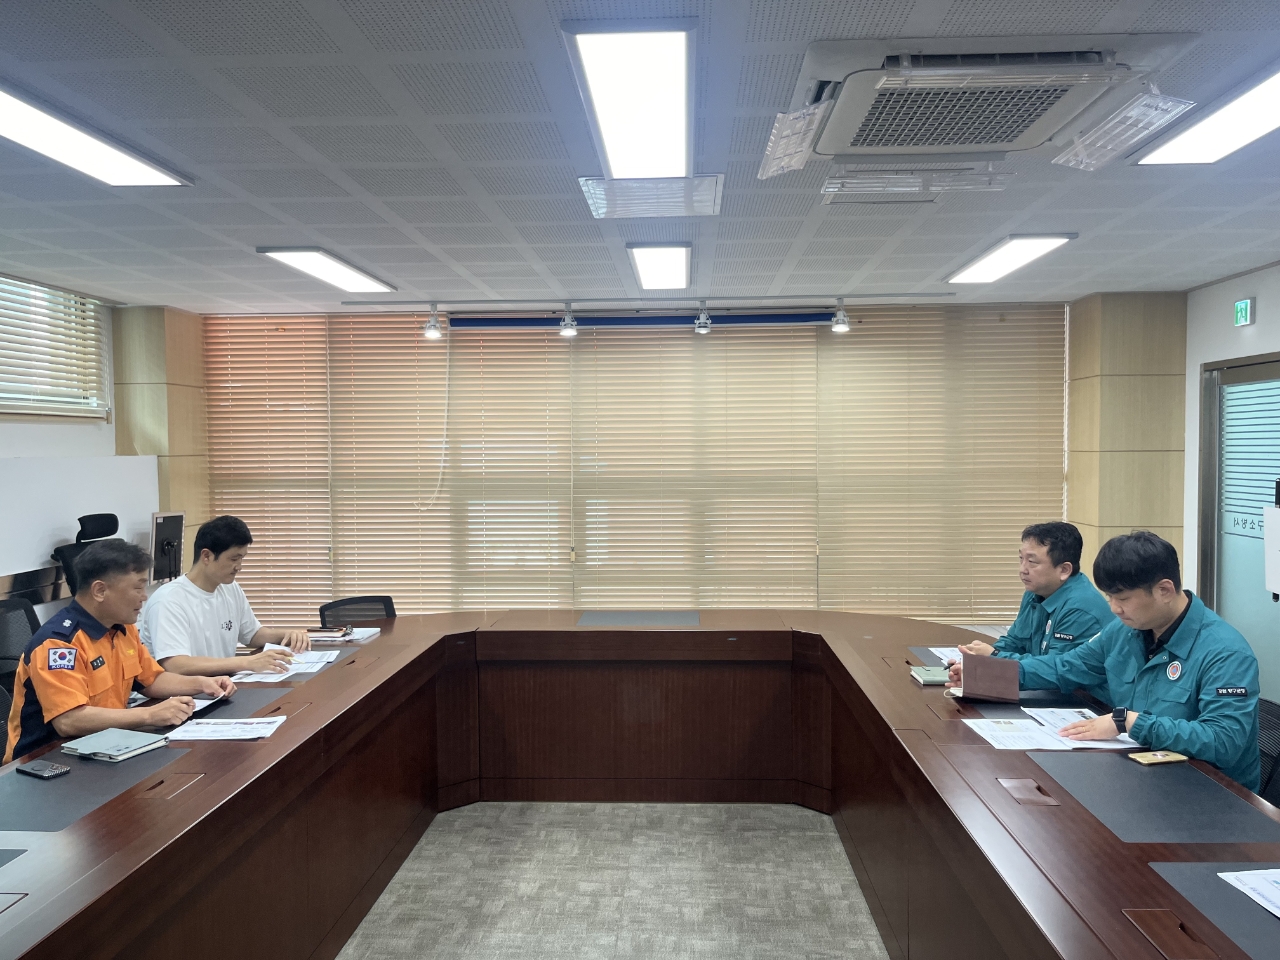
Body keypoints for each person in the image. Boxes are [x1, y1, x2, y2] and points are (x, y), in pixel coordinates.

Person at [946, 531, 1261, 791]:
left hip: (1208, 792)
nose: (1113, 608)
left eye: (1122, 599)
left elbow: (1224, 741)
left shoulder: (1225, 652)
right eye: (1109, 597)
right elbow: (1066, 667)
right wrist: (986, 673)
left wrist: (1130, 722)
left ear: (1164, 590)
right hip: (1141, 775)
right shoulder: (1127, 630)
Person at [5, 540, 235, 764]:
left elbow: (151, 680)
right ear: (100, 590)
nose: (144, 596)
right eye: (138, 587)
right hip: (46, 760)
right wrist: (150, 715)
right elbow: (69, 721)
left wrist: (202, 683)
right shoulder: (59, 644)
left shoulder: (122, 628)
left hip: (105, 744)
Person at [140, 515, 310, 677]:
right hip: (183, 693)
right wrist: (246, 662)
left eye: (242, 559)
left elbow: (252, 635)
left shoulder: (230, 588)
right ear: (206, 556)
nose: (239, 567)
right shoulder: (169, 600)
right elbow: (176, 665)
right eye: (234, 559)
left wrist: (288, 634)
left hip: (220, 686)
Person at [959, 521, 1114, 662]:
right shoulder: (1035, 592)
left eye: (1032, 561)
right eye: (1021, 558)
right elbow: (1015, 642)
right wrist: (979, 658)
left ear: (1064, 570)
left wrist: (994, 656)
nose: (1022, 569)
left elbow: (1055, 670)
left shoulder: (1080, 609)